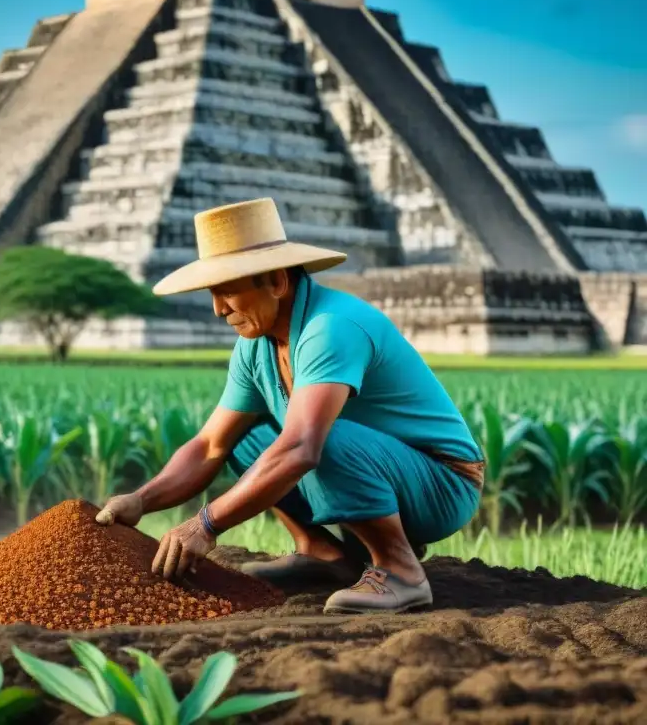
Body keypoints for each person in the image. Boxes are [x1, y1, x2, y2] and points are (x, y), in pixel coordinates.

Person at [94, 198, 484, 614]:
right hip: (384, 474)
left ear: (277, 282)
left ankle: (400, 569)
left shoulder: (330, 328)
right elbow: (211, 444)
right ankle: (322, 554)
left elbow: (302, 448)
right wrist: (142, 499)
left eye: (227, 290)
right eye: (212, 292)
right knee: (250, 439)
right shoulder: (256, 346)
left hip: (442, 482)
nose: (217, 308)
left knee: (311, 439)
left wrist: (206, 524)